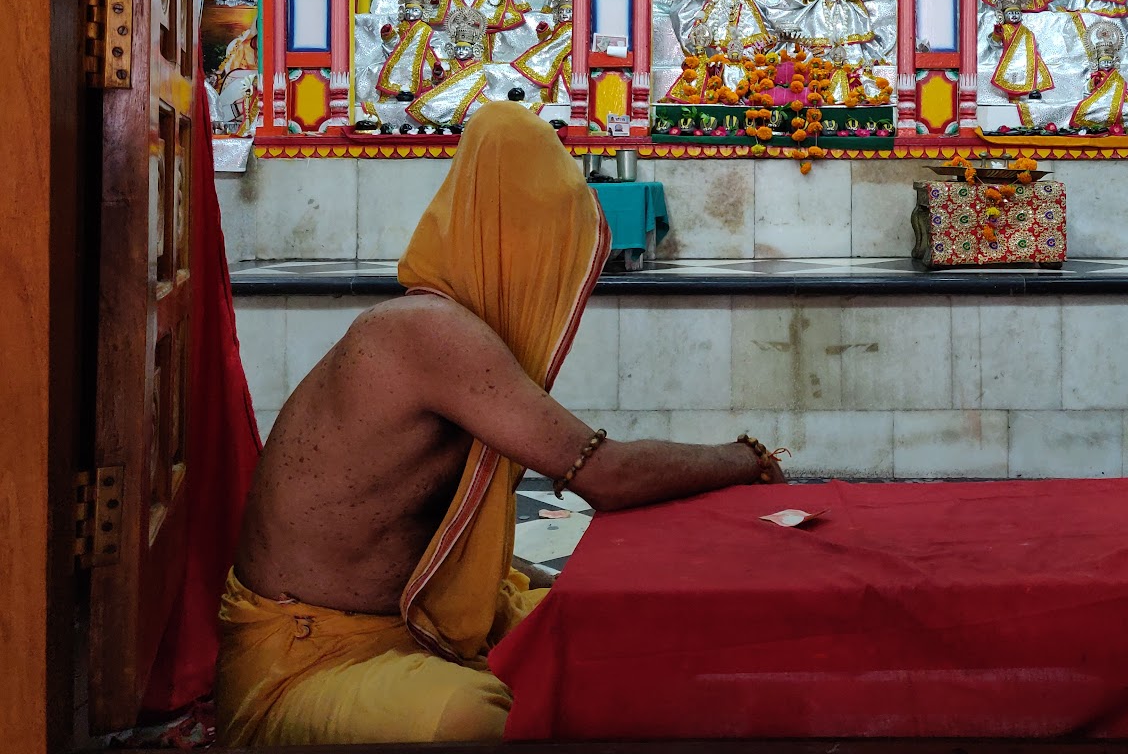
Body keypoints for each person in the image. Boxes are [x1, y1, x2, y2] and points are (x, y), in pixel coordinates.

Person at [216, 104, 786, 745]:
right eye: (554, 253)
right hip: (308, 662)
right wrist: (746, 458)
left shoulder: (450, 328)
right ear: (514, 243)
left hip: (408, 623)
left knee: (611, 636)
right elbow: (604, 473)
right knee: (480, 717)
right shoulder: (423, 332)